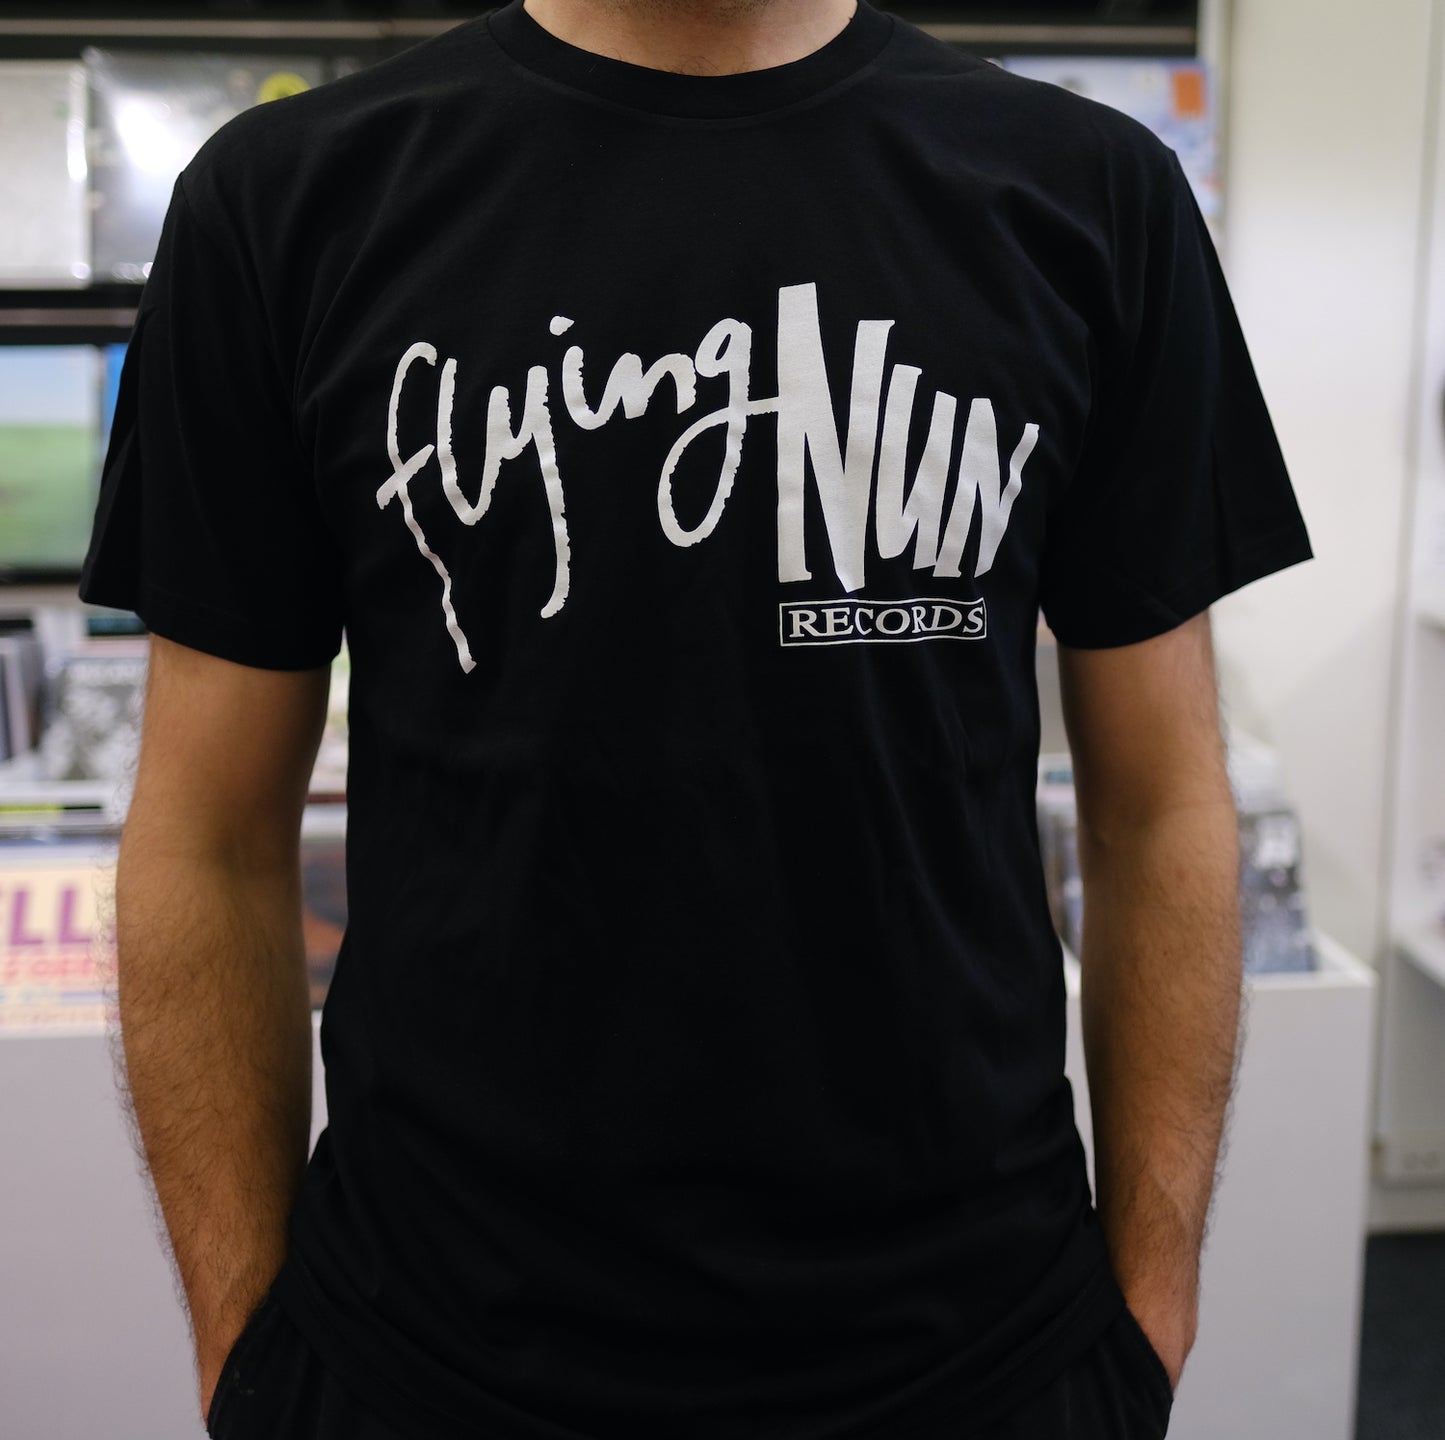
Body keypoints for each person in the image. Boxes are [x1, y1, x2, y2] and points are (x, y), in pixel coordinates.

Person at [80, 0, 1312, 1436]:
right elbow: (207, 832)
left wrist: (1147, 1317)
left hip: (983, 1352)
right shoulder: (287, 199)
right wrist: (245, 1351)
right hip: (423, 1356)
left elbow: (1161, 806)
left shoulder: (1089, 196)